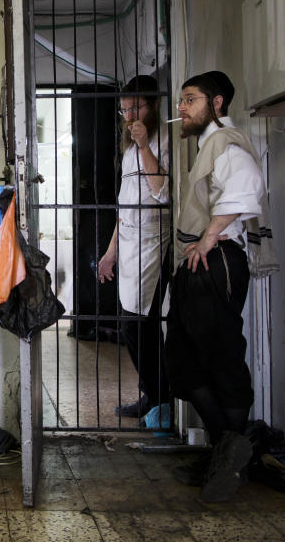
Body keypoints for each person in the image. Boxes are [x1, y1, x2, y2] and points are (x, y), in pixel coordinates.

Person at [164, 71, 265, 502]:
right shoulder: (208, 146)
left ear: (217, 103)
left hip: (217, 259)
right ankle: (230, 449)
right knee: (184, 360)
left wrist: (209, 236)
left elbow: (245, 188)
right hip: (197, 261)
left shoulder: (226, 142)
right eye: (181, 101)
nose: (182, 108)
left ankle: (229, 452)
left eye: (190, 100)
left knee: (221, 357)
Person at [96, 75, 171, 419]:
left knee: (138, 325)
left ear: (153, 104)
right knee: (133, 323)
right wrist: (110, 252)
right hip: (128, 242)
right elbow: (125, 208)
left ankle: (158, 397)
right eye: (123, 110)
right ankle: (153, 394)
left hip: (152, 243)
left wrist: (144, 147)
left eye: (134, 108)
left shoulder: (163, 140)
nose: (128, 117)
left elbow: (162, 192)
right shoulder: (127, 150)